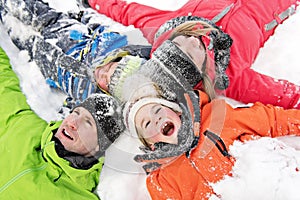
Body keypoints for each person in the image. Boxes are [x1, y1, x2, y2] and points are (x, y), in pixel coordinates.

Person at [87, 0, 300, 109]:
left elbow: (129, 12)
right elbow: (288, 97)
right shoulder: (230, 77)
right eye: (194, 51)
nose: (192, 39)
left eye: (180, 41)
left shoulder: (165, 29)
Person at [120, 71, 300, 199]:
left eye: (158, 109)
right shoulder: (163, 181)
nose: (156, 118)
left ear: (177, 112)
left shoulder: (218, 119)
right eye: (147, 124)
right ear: (150, 144)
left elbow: (271, 120)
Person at [0, 46, 125, 199]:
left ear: (99, 145)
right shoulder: (25, 126)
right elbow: (4, 87)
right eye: (76, 113)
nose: (72, 122)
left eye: (87, 122)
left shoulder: (78, 195)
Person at [0, 0, 150, 107]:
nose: (101, 73)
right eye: (110, 69)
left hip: (48, 62)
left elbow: (78, 107)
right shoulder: (112, 43)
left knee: (17, 32)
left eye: (107, 82)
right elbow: (96, 25)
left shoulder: (91, 95)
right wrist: (80, 16)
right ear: (120, 59)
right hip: (64, 32)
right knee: (28, 9)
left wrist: (67, 106)